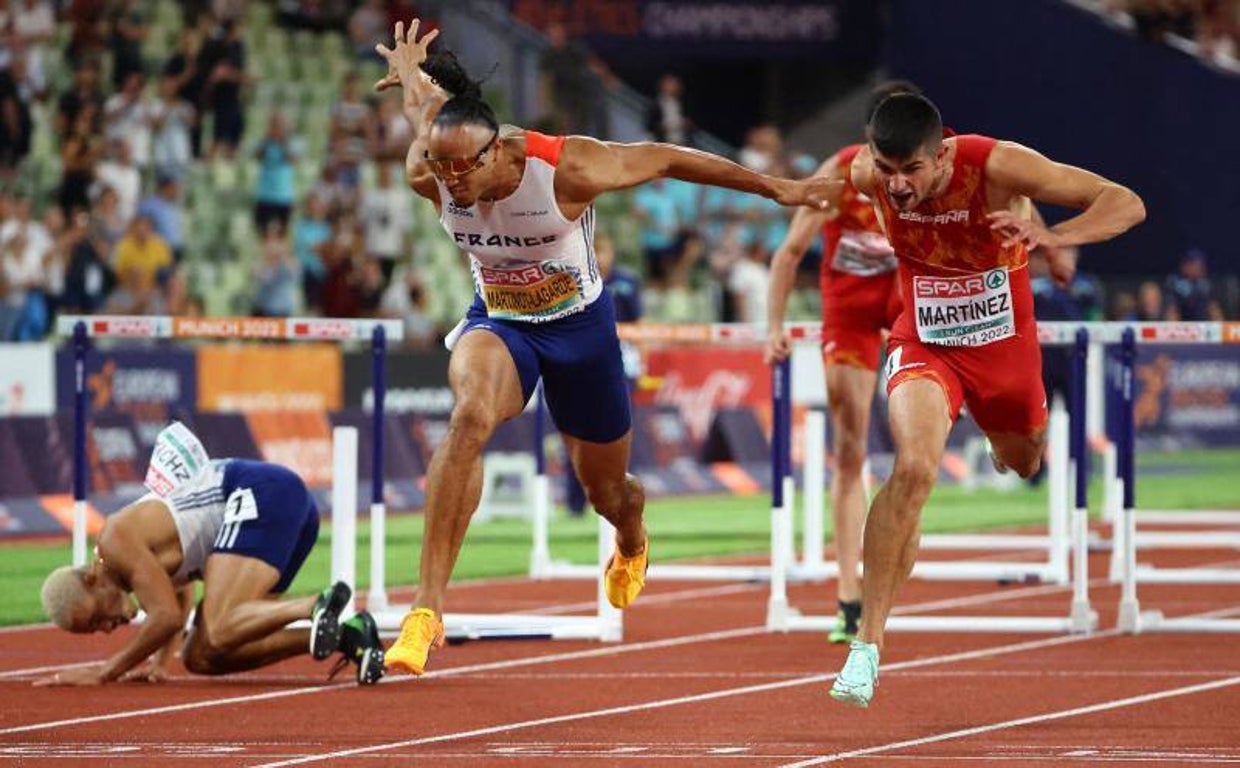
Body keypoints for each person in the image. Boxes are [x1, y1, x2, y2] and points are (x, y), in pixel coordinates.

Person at [371, 19, 835, 676]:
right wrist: (414, 77)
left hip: (580, 332)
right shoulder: (432, 170)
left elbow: (669, 156)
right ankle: (425, 609)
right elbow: (426, 115)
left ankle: (632, 535)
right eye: (440, 167)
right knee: (469, 416)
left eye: (460, 168)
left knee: (607, 490)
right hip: (500, 322)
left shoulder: (566, 167)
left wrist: (776, 189)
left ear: (499, 153)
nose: (450, 183)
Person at [827, 93, 1144, 707]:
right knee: (914, 469)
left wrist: (1052, 235)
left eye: (910, 171)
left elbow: (1125, 202)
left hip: (1003, 347)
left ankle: (1007, 442)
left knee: (1025, 458)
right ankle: (867, 646)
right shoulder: (867, 175)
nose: (895, 186)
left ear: (941, 154)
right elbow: (797, 195)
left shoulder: (994, 164)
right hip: (925, 340)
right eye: (884, 170)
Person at [35, 423, 383, 687]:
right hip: (282, 509)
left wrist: (106, 671)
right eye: (96, 631)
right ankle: (346, 635)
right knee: (202, 655)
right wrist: (159, 664)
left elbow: (167, 616)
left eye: (97, 618)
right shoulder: (138, 561)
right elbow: (179, 594)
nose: (107, 629)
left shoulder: (114, 540)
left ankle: (313, 606)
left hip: (260, 492)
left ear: (93, 579)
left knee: (219, 625)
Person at [765, 82, 917, 646]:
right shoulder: (842, 174)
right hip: (850, 308)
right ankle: (849, 596)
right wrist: (774, 329)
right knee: (850, 446)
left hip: (906, 299)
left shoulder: (936, 173)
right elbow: (788, 252)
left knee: (915, 441)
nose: (896, 172)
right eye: (884, 154)